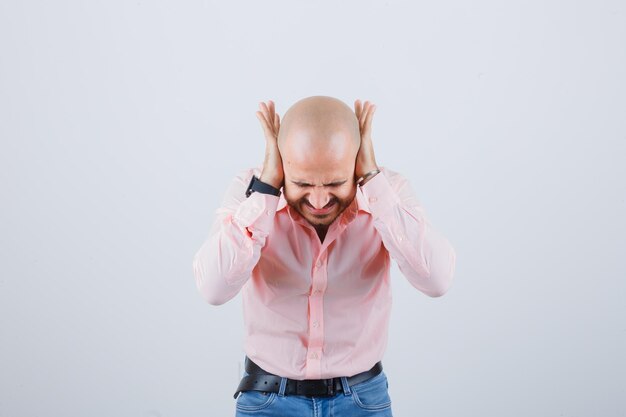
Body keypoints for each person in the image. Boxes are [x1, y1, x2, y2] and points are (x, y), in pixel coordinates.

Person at [192, 95, 457, 416]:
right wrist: (266, 189)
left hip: (362, 399)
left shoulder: (388, 192)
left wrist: (373, 179)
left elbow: (437, 280)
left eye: (334, 183)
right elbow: (214, 289)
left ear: (356, 163)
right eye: (302, 183)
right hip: (267, 400)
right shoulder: (250, 192)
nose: (318, 200)